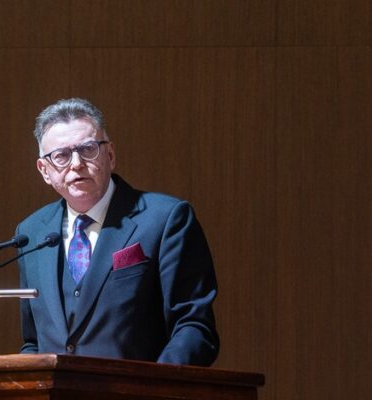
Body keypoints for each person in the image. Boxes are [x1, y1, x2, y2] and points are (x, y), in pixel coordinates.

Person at [16, 97, 219, 366]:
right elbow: (33, 341)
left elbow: (194, 325)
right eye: (61, 156)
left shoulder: (165, 219)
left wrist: (153, 393)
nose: (76, 163)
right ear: (44, 170)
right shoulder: (31, 232)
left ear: (110, 155)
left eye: (88, 149)